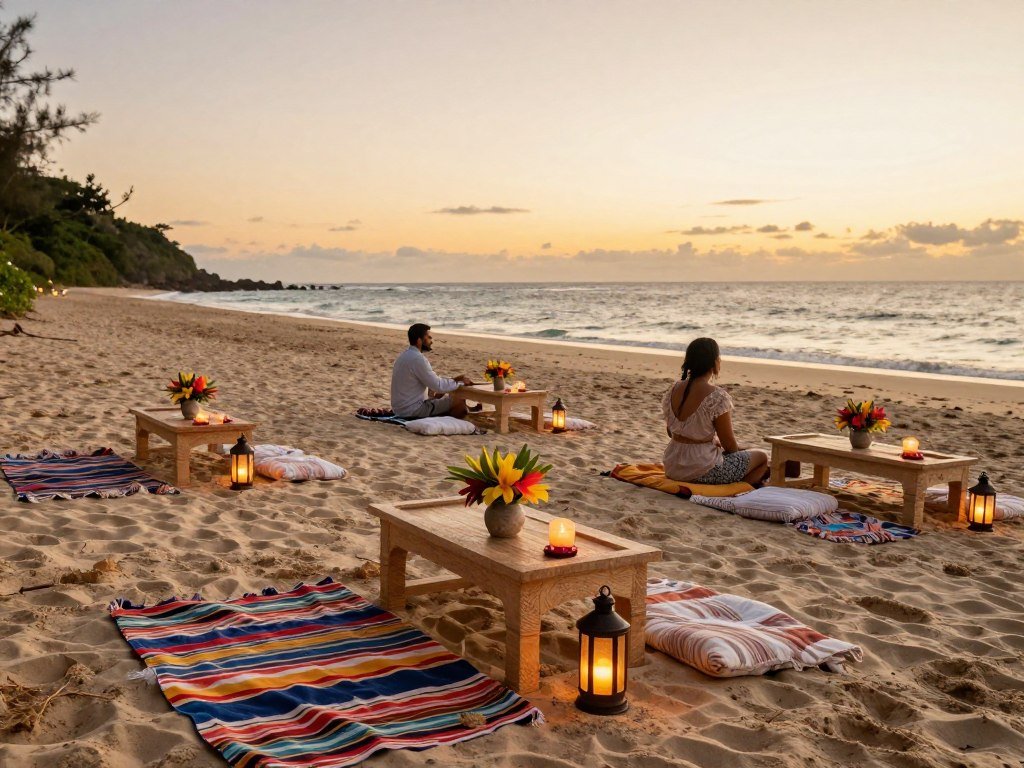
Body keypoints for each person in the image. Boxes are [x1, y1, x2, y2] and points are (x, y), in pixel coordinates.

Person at [662, 337, 769, 485]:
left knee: (743, 452)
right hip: (700, 469)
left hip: (672, 466)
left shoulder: (673, 389)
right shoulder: (717, 396)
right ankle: (739, 489)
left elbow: (671, 432)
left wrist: (707, 440)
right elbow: (730, 446)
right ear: (714, 362)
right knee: (762, 457)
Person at [391, 323, 474, 419]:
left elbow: (433, 384)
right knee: (459, 401)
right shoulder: (418, 359)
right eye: (429, 338)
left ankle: (442, 412)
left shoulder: (403, 356)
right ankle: (446, 419)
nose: (431, 341)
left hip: (399, 409)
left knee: (435, 393)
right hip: (411, 411)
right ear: (419, 341)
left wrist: (454, 380)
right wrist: (460, 382)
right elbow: (438, 385)